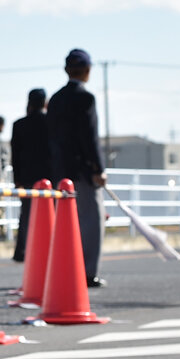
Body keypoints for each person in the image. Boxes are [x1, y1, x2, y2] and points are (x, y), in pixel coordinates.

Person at [46, 49, 106, 287]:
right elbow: (90, 138)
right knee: (91, 221)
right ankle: (88, 272)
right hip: (83, 171)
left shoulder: (56, 99)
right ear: (88, 70)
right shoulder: (86, 99)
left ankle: (67, 270)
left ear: (66, 70)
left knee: (65, 225)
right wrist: (98, 168)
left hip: (59, 171)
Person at [9, 88, 53, 262]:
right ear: (45, 102)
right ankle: (48, 250)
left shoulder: (19, 124)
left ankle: (21, 251)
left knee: (26, 216)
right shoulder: (52, 122)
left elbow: (15, 155)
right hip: (49, 177)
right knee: (50, 215)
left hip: (26, 177)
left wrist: (17, 179)